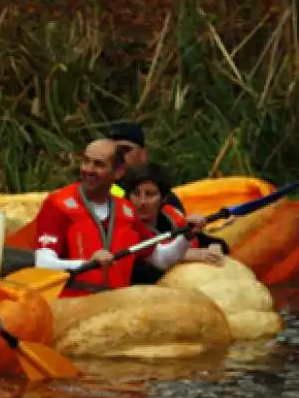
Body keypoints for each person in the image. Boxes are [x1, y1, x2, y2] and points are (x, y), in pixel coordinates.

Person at [33, 139, 201, 296]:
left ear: (118, 172)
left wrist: (185, 236)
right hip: (72, 307)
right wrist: (85, 264)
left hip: (115, 307)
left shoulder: (126, 209)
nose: (88, 169)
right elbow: (44, 263)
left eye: (98, 164)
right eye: (86, 161)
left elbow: (161, 259)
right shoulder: (57, 204)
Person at [120, 163, 229, 285]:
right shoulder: (122, 225)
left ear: (163, 198)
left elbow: (213, 242)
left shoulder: (171, 216)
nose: (142, 202)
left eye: (150, 194)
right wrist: (187, 255)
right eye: (136, 194)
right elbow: (143, 272)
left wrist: (214, 247)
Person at [108, 120, 185, 212]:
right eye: (112, 151)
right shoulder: (101, 191)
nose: (118, 156)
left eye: (125, 150)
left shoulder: (161, 192)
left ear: (143, 153)